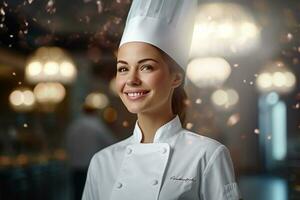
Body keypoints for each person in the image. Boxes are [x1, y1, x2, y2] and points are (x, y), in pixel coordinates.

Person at [82, 0, 242, 199]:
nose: (131, 80)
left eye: (146, 67)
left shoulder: (208, 155)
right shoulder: (102, 161)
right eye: (123, 69)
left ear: (176, 77)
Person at [66, 103, 115, 200]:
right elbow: (111, 143)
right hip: (91, 166)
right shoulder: (97, 126)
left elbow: (67, 144)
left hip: (75, 166)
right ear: (94, 112)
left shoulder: (74, 126)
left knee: (77, 193)